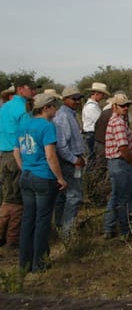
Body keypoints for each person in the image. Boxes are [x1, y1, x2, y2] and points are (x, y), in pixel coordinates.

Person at [14, 93, 67, 272]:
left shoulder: (23, 125)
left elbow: (16, 152)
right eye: (54, 106)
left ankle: (24, 263)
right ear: (46, 108)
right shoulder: (47, 126)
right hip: (43, 177)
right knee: (42, 220)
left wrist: (26, 168)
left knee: (28, 219)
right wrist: (60, 178)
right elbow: (50, 155)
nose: (56, 110)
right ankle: (39, 262)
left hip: (27, 175)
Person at [0, 75, 39, 218]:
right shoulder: (23, 109)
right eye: (31, 88)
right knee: (19, 198)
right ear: (21, 89)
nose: (34, 91)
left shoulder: (4, 107)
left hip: (4, 154)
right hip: (18, 156)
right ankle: (14, 238)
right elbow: (28, 137)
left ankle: (4, 233)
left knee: (8, 195)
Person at [53, 86, 86, 236]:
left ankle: (61, 227)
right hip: (69, 162)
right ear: (65, 99)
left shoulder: (70, 115)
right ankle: (67, 232)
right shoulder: (63, 116)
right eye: (74, 98)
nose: (77, 101)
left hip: (72, 160)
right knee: (74, 196)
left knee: (64, 196)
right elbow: (61, 144)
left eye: (79, 98)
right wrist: (74, 160)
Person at [103, 93, 132, 239]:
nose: (126, 108)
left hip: (115, 163)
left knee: (116, 196)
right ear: (114, 106)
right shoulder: (118, 123)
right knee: (124, 198)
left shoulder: (117, 120)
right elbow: (123, 147)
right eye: (123, 105)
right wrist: (131, 161)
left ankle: (109, 228)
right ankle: (125, 230)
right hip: (120, 163)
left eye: (127, 105)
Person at [82, 82, 110, 166]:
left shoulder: (93, 106)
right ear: (97, 94)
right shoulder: (91, 107)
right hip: (91, 134)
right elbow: (100, 121)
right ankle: (91, 176)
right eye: (102, 94)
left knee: (93, 157)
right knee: (93, 158)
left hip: (91, 134)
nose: (103, 97)